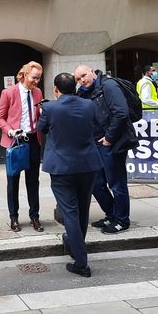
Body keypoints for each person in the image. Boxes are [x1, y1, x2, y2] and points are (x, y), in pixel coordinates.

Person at [39, 73, 101, 277]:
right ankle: (76, 246)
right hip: (88, 164)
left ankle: (81, 262)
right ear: (74, 87)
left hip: (62, 167)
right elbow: (97, 126)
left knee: (70, 214)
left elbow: (41, 129)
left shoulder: (49, 108)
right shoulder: (89, 105)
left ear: (56, 90)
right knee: (82, 210)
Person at [74, 64, 138, 234]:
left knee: (116, 183)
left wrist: (109, 138)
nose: (82, 80)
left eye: (84, 75)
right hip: (94, 143)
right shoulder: (82, 92)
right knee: (96, 183)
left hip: (111, 143)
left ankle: (122, 220)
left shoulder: (108, 86)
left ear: (93, 72)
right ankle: (111, 214)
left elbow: (121, 112)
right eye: (78, 79)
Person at [0, 61, 44, 232]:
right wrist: (10, 131)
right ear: (24, 75)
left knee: (33, 181)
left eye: (39, 78)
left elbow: (38, 114)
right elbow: (0, 118)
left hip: (32, 140)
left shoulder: (38, 92)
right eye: (34, 78)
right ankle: (14, 217)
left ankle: (35, 217)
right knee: (13, 181)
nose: (36, 81)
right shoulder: (8, 93)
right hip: (15, 141)